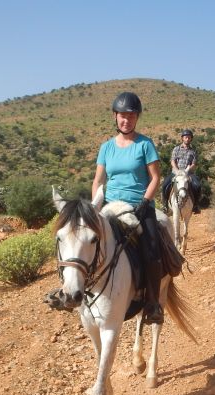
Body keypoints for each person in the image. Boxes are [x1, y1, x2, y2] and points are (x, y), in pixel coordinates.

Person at [91, 92, 165, 324]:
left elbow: (155, 178)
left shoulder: (145, 144)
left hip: (139, 206)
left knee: (152, 251)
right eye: (123, 116)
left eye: (131, 116)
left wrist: (145, 203)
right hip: (111, 207)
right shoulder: (106, 148)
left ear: (137, 118)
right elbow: (98, 181)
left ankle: (152, 304)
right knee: (86, 243)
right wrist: (96, 206)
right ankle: (73, 293)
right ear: (115, 117)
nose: (126, 120)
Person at [161, 129, 202, 213]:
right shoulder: (176, 149)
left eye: (189, 137)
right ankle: (165, 205)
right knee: (165, 184)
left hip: (188, 173)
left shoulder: (193, 151)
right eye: (186, 137)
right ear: (182, 138)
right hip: (176, 172)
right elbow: (172, 161)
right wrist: (176, 170)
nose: (187, 139)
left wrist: (188, 170)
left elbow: (193, 164)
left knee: (197, 185)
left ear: (191, 139)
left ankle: (196, 205)